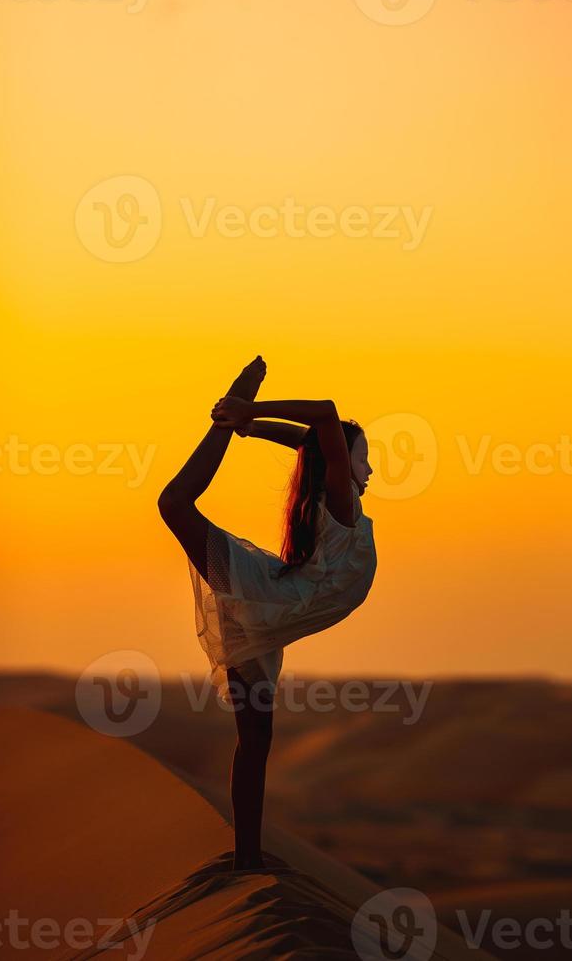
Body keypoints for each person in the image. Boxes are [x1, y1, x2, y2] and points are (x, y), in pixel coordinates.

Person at [158, 355, 377, 870]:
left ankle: (247, 858)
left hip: (267, 614)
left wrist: (253, 427)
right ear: (342, 465)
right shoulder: (340, 502)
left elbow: (312, 441)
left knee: (255, 738)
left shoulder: (331, 500)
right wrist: (245, 406)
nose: (370, 468)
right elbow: (324, 415)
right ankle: (222, 420)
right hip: (266, 601)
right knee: (174, 505)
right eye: (363, 458)